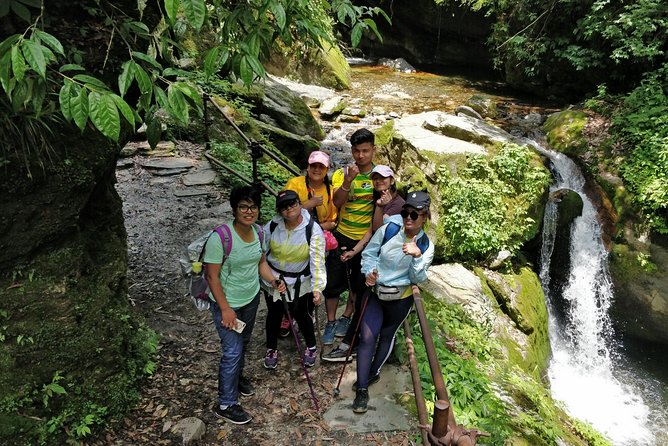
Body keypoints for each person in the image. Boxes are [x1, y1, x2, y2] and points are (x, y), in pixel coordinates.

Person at [204, 185, 285, 424]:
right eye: (243, 207)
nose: (248, 211)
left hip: (250, 299)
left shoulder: (259, 233)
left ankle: (236, 379)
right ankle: (226, 403)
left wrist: (272, 280)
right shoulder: (221, 237)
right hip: (226, 304)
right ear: (234, 208)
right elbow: (212, 277)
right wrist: (226, 309)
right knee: (232, 351)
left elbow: (260, 262)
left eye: (253, 207)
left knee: (244, 342)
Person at [352, 190, 435, 414]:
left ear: (425, 216)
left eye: (415, 214)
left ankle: (373, 372)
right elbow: (369, 253)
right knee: (367, 336)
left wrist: (417, 256)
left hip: (400, 299)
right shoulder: (389, 229)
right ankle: (361, 389)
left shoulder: (426, 246)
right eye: (406, 212)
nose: (409, 217)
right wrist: (368, 272)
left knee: (386, 336)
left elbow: (418, 279)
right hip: (376, 293)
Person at [322, 165, 405, 362]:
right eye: (375, 179)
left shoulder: (397, 204)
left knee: (366, 302)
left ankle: (352, 346)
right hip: (374, 260)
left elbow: (378, 229)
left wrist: (379, 206)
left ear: (392, 180)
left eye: (383, 179)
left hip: (387, 265)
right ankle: (353, 344)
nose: (379, 182)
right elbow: (371, 232)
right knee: (364, 300)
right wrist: (353, 251)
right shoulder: (382, 201)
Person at [322, 128, 377, 345]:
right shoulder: (340, 173)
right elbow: (336, 202)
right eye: (357, 151)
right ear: (351, 151)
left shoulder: (378, 176)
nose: (361, 155)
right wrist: (348, 181)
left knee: (357, 284)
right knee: (333, 283)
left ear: (373, 149)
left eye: (365, 150)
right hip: (341, 235)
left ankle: (346, 317)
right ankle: (331, 321)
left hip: (366, 240)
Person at [261, 190, 326, 369]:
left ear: (299, 203)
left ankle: (311, 346)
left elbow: (317, 260)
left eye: (292, 204)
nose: (289, 209)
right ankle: (271, 348)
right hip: (273, 278)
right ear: (279, 210)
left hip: (299, 281)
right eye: (284, 206)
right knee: (274, 313)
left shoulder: (311, 229)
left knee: (301, 313)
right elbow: (262, 250)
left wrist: (317, 287)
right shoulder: (273, 225)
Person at [279, 150, 337, 337]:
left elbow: (332, 221)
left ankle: (307, 312)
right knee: (289, 276)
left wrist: (316, 227)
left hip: (314, 239)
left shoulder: (330, 190)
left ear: (327, 169)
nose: (317, 170)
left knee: (311, 277)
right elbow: (284, 208)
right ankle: (287, 315)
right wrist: (309, 204)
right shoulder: (295, 184)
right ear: (308, 166)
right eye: (314, 166)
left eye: (321, 166)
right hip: (291, 238)